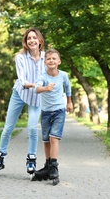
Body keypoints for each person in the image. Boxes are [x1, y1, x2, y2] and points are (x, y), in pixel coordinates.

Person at [0, 27, 45, 177]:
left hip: (36, 97)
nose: (31, 40)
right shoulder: (20, 57)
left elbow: (51, 77)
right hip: (20, 93)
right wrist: (37, 86)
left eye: (34, 37)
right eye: (28, 38)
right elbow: (23, 80)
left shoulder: (46, 57)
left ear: (39, 40)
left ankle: (31, 159)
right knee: (8, 128)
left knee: (32, 128)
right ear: (26, 42)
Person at [33, 48, 72, 184]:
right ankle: (48, 166)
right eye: (49, 59)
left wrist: (69, 102)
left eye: (54, 58)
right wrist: (45, 88)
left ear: (59, 61)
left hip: (59, 111)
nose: (51, 61)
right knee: (46, 140)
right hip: (45, 112)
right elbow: (37, 89)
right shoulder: (42, 77)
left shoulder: (64, 75)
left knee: (53, 137)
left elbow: (68, 88)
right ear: (45, 62)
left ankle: (54, 167)